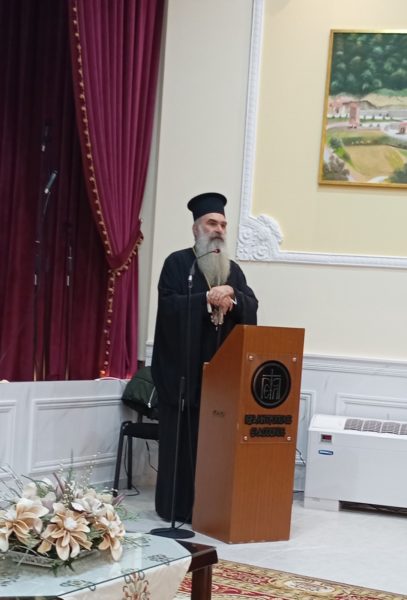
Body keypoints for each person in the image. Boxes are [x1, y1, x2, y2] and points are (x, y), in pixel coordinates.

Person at [151, 192, 258, 523]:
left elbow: (252, 309)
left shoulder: (233, 271)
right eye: (212, 223)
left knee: (215, 450)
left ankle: (211, 510)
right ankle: (176, 509)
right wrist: (205, 299)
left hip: (221, 382)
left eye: (223, 224)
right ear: (197, 228)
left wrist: (233, 297)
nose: (219, 230)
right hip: (182, 377)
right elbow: (168, 309)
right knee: (181, 449)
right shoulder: (177, 264)